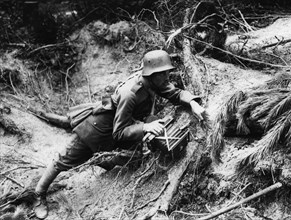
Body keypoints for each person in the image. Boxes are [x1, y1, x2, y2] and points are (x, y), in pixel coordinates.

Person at [33, 50, 205, 219]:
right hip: (97, 130)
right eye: (164, 73)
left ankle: (104, 160)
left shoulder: (154, 82)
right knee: (63, 160)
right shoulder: (130, 93)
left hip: (124, 124)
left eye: (168, 72)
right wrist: (145, 127)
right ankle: (39, 194)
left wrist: (192, 103)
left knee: (136, 159)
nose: (168, 76)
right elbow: (120, 133)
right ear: (153, 74)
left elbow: (174, 92)